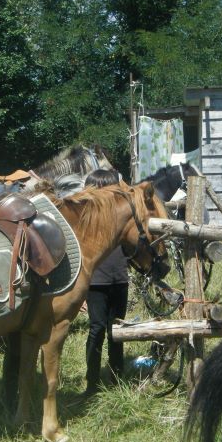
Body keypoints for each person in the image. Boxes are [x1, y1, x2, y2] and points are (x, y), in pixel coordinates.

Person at [83, 168, 128, 396]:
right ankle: (92, 383)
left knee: (117, 330)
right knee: (97, 328)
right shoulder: (87, 218)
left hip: (119, 278)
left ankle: (117, 379)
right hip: (95, 281)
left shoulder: (121, 217)